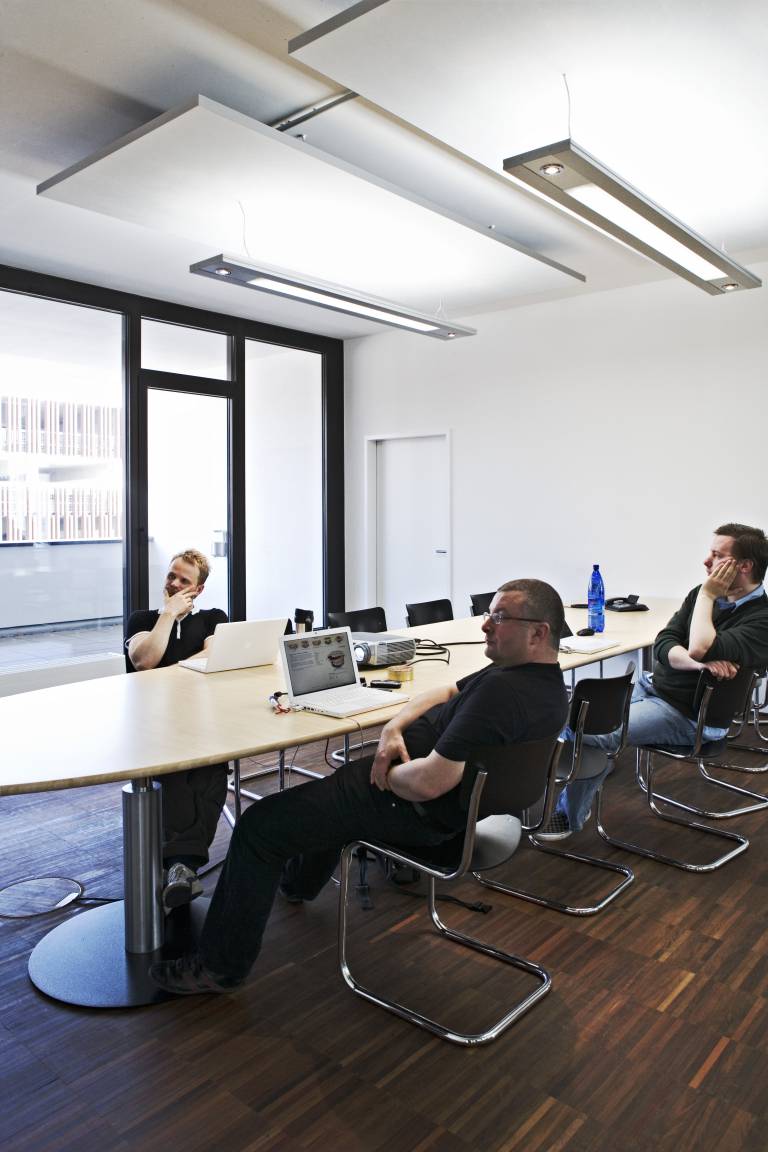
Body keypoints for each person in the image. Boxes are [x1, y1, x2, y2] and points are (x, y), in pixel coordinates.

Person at [149, 578, 570, 995]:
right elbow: (445, 690)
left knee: (258, 826)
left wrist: (379, 775)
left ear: (538, 633)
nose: (485, 624)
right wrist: (393, 727)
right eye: (489, 613)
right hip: (442, 809)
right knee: (330, 801)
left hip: (414, 809)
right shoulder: (542, 683)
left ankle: (218, 967)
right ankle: (297, 885)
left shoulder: (500, 693)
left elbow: (428, 783)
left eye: (500, 617)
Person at [540, 522, 768, 840]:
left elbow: (701, 645)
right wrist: (697, 663)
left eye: (717, 555)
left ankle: (569, 813)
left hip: (690, 715)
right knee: (573, 718)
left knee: (585, 731)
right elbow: (663, 643)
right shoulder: (700, 596)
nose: (706, 561)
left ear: (744, 566)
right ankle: (593, 764)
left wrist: (707, 596)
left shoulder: (759, 618)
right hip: (654, 688)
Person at [126, 549, 228, 909]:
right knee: (175, 774)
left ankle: (180, 867)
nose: (174, 583)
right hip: (154, 724)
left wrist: (170, 670)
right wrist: (168, 614)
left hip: (200, 719)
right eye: (172, 575)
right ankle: (183, 866)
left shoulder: (213, 618)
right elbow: (144, 660)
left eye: (184, 580)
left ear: (198, 590)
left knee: (212, 772)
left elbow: (214, 656)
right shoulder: (143, 619)